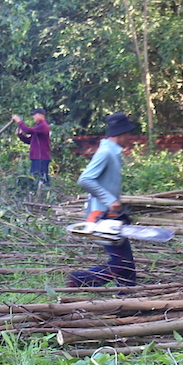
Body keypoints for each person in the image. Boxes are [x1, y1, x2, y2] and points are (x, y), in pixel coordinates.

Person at [67, 112, 139, 288]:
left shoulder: (112, 153)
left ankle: (127, 297)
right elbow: (85, 179)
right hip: (102, 215)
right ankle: (79, 279)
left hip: (112, 215)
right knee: (120, 263)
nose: (130, 137)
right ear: (120, 134)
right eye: (128, 134)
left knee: (126, 262)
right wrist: (109, 200)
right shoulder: (106, 153)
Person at [13, 108, 52, 185]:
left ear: (40, 115)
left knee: (40, 180)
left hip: (41, 158)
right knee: (35, 179)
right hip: (36, 158)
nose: (33, 117)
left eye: (34, 115)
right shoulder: (38, 128)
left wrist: (19, 121)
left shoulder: (43, 126)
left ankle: (43, 195)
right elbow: (29, 141)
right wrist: (20, 135)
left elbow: (28, 130)